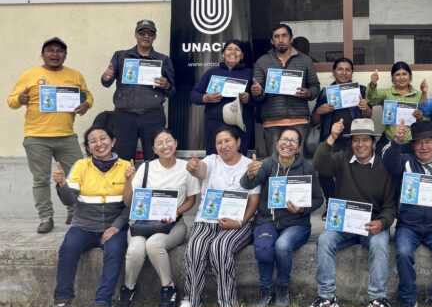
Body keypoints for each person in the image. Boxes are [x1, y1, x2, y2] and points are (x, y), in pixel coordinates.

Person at [302, 118, 398, 307]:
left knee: (381, 243)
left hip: (371, 226)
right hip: (344, 225)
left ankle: (378, 299)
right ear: (351, 143)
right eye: (356, 140)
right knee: (325, 239)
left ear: (373, 143)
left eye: (365, 140)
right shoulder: (341, 159)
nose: (360, 145)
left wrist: (382, 222)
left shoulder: (383, 168)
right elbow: (319, 164)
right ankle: (326, 298)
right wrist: (331, 137)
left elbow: (390, 206)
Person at [51, 126, 134, 307]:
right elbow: (70, 200)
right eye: (93, 141)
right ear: (88, 147)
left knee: (115, 253)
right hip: (84, 225)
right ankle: (62, 305)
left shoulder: (127, 167)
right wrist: (61, 184)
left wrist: (116, 226)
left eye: (103, 138)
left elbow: (132, 204)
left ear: (113, 141)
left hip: (114, 226)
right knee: (68, 248)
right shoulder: (81, 166)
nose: (99, 144)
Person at [8, 37, 93, 233]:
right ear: (43, 54)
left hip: (66, 136)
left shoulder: (75, 75)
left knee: (77, 176)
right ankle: (46, 217)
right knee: (41, 179)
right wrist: (20, 99)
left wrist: (86, 104)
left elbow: (87, 96)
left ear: (65, 55)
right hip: (36, 137)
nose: (55, 54)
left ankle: (75, 211)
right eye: (50, 51)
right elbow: (11, 100)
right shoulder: (30, 75)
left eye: (60, 51)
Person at [174, 126, 260, 307]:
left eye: (228, 141)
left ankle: (228, 302)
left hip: (238, 222)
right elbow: (200, 171)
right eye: (219, 142)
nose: (223, 146)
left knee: (220, 247)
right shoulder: (211, 161)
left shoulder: (250, 165)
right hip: (207, 220)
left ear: (238, 143)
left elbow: (254, 202)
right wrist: (194, 167)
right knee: (195, 247)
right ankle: (190, 300)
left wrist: (239, 222)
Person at [117, 128, 201, 307]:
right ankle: (128, 288)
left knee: (154, 244)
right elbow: (128, 202)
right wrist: (128, 180)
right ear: (154, 149)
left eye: (168, 141)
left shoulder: (185, 168)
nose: (165, 146)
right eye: (159, 143)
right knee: (136, 249)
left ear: (176, 143)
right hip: (142, 223)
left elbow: (191, 200)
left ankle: (168, 288)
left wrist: (176, 212)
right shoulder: (146, 168)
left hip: (173, 224)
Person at [240, 127, 324, 307]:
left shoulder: (306, 168)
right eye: (284, 139)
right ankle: (265, 290)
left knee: (282, 245)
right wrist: (250, 174)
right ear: (277, 143)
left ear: (299, 147)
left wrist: (303, 208)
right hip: (266, 221)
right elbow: (247, 184)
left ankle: (283, 288)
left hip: (296, 224)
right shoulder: (268, 164)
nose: (287, 144)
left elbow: (319, 199)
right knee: (263, 247)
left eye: (293, 141)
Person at [382, 120, 432, 307]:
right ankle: (408, 299)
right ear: (413, 145)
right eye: (419, 143)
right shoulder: (405, 161)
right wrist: (397, 140)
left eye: (428, 142)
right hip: (408, 225)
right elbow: (388, 161)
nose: (423, 147)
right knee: (404, 252)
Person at [101, 19, 175, 161]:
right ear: (136, 35)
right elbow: (106, 83)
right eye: (142, 32)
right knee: (122, 159)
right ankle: (125, 184)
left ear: (155, 37)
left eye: (150, 32)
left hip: (153, 116)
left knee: (155, 158)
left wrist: (166, 85)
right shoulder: (120, 56)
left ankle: (152, 184)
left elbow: (172, 92)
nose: (146, 36)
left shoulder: (163, 60)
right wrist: (106, 76)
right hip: (124, 116)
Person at [310, 57, 372, 214]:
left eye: (348, 69)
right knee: (324, 170)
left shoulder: (362, 90)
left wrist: (364, 108)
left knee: (356, 172)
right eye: (340, 69)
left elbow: (368, 115)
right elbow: (314, 120)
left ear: (352, 72)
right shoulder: (326, 92)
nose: (344, 73)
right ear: (333, 72)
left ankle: (354, 204)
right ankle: (331, 203)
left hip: (355, 140)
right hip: (332, 140)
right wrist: (319, 110)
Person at [252, 24, 320, 156]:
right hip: (272, 121)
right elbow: (258, 95)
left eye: (284, 36)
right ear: (272, 41)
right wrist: (258, 92)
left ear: (291, 39)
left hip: (299, 120)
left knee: (297, 164)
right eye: (276, 37)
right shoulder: (262, 61)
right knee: (274, 165)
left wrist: (308, 93)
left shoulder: (305, 60)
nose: (281, 40)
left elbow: (315, 86)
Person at [190, 39, 256, 155]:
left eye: (237, 50)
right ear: (223, 54)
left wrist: (249, 98)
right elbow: (194, 94)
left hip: (240, 123)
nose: (233, 52)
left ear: (242, 56)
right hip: (215, 123)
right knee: (214, 158)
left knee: (238, 158)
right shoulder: (212, 73)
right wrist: (205, 98)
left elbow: (260, 99)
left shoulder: (250, 73)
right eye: (229, 49)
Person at [366, 61, 424, 155]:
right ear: (392, 78)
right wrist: (372, 85)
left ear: (410, 77)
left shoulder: (419, 95)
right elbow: (371, 99)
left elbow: (427, 119)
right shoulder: (386, 94)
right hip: (390, 141)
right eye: (397, 75)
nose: (401, 77)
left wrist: (421, 117)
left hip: (411, 143)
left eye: (404, 74)